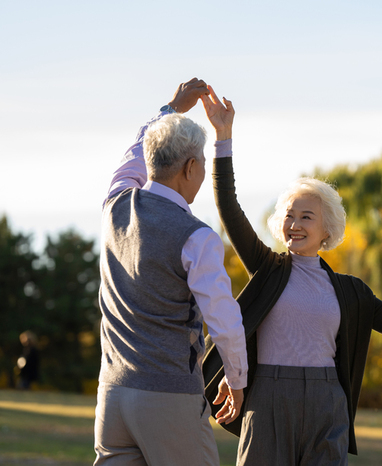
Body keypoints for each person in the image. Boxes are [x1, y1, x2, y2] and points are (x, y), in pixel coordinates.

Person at [200, 86, 382, 465]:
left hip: (328, 401)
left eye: (306, 216)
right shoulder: (268, 268)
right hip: (269, 397)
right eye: (289, 216)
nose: (294, 224)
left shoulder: (350, 291)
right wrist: (222, 140)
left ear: (327, 230)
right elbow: (228, 206)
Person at [95, 78, 248, 466]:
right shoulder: (196, 237)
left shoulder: (114, 205)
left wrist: (169, 109)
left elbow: (132, 156)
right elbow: (224, 320)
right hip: (169, 397)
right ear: (192, 166)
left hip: (112, 395)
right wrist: (237, 378)